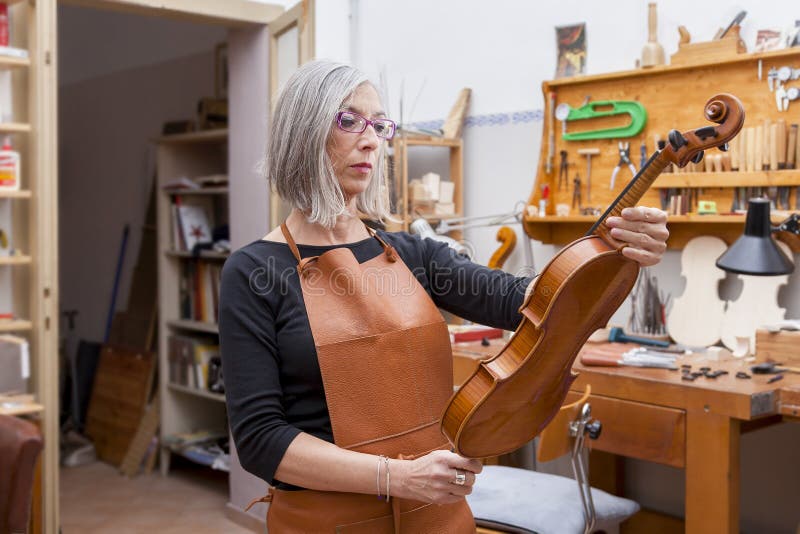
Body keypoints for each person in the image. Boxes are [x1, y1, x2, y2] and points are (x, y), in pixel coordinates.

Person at [219, 60, 669, 533]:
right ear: (302, 132)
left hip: (438, 518)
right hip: (329, 522)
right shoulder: (253, 273)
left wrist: (618, 253)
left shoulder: (412, 254)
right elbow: (261, 439)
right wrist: (396, 477)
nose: (371, 139)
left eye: (378, 125)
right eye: (348, 120)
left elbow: (531, 302)